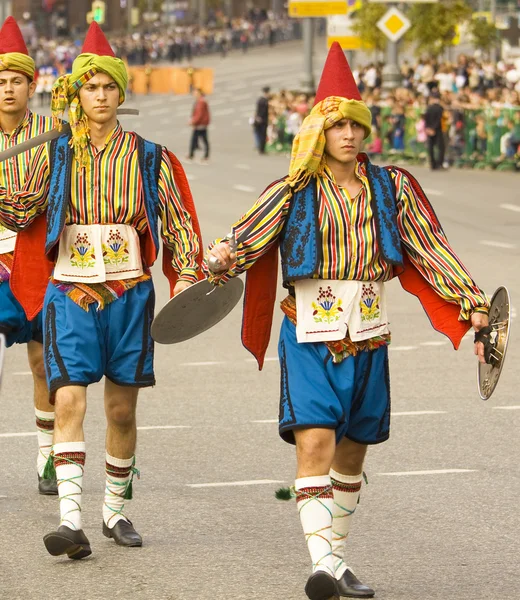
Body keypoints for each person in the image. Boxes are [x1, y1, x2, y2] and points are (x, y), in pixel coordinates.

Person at [206, 43, 490, 600]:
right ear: (318, 132)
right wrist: (214, 261)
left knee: (353, 450)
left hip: (370, 335)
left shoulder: (394, 187)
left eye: (356, 125)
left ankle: (335, 558)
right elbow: (243, 241)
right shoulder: (292, 190)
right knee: (315, 441)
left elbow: (431, 249)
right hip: (308, 332)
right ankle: (324, 565)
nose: (349, 135)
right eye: (337, 126)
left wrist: (471, 301)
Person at [0, 22, 202, 560]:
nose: (101, 96)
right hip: (68, 292)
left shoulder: (150, 156)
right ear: (78, 95)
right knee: (67, 398)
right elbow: (22, 209)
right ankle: (71, 521)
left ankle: (115, 509)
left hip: (129, 293)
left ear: (120, 93)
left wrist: (189, 280)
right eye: (91, 88)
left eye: (109, 87)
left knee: (120, 411)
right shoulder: (57, 153)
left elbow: (178, 220)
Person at [0, 17, 57, 495]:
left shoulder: (51, 135)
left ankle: (49, 459)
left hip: (36, 262)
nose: (7, 89)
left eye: (16, 80)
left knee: (43, 364)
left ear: (30, 84)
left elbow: (34, 204)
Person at [186, 88, 210, 164]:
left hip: (200, 125)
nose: (194, 94)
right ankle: (194, 155)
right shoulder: (200, 101)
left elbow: (199, 114)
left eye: (195, 92)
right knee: (199, 140)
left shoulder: (201, 102)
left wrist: (193, 122)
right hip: (200, 124)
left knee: (199, 140)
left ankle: (193, 155)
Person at [425, 90, 445, 170]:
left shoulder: (429, 108)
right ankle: (439, 163)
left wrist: (428, 128)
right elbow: (439, 119)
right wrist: (433, 128)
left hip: (429, 129)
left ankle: (432, 163)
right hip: (437, 129)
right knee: (440, 147)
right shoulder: (440, 108)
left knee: (431, 147)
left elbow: (426, 119)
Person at [254, 85, 270, 154]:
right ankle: (262, 149)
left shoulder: (260, 99)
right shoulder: (265, 101)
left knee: (259, 134)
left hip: (259, 119)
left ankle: (260, 147)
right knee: (263, 135)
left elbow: (257, 110)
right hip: (263, 120)